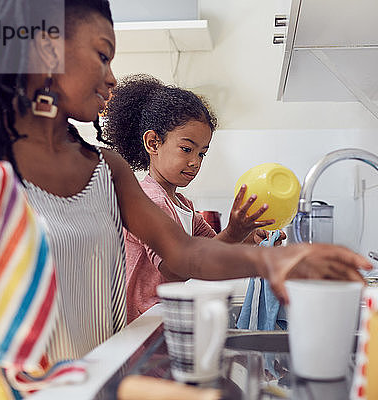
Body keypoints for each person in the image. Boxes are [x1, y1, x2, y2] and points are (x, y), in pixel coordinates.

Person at [0, 0, 371, 369]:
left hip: (93, 382)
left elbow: (185, 252)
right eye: (102, 54)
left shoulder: (106, 169)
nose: (112, 77)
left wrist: (273, 260)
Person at [102, 75, 286, 322]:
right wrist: (234, 232)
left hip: (165, 317)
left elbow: (213, 251)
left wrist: (252, 238)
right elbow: (176, 269)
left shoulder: (183, 205)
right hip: (143, 323)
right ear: (153, 142)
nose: (195, 162)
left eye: (202, 153)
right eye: (187, 149)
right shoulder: (150, 200)